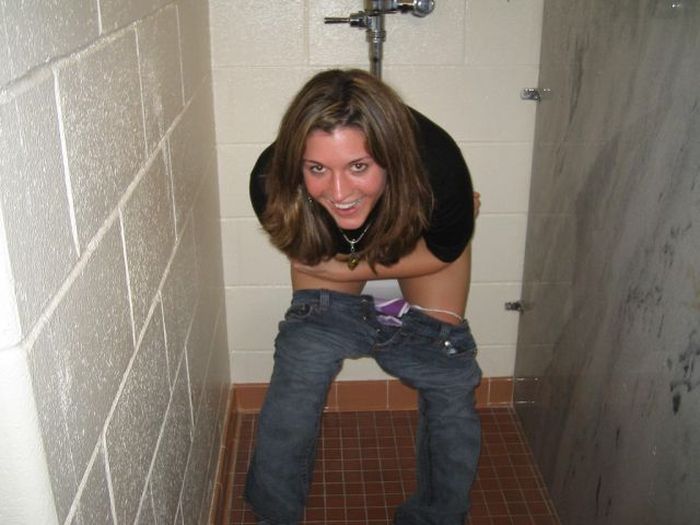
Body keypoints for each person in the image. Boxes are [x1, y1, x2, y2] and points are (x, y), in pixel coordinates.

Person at [245, 68, 482, 525]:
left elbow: (441, 252)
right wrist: (334, 266)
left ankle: (436, 518)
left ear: (391, 158)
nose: (339, 192)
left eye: (359, 166)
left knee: (449, 381)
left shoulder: (439, 170)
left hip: (420, 251)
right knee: (299, 368)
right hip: (338, 256)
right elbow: (307, 254)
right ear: (296, 163)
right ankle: (273, 516)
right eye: (317, 169)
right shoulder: (270, 180)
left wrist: (343, 267)